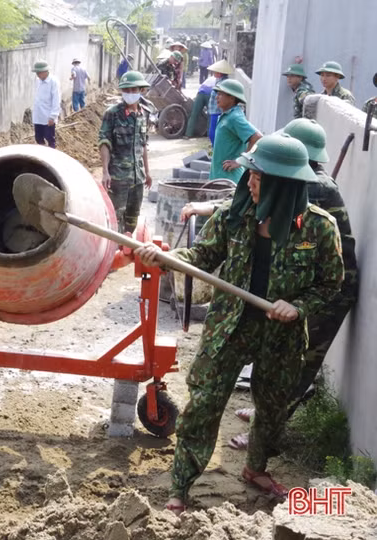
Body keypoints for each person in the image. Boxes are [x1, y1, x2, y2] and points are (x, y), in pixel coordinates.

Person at [136, 133, 344, 515]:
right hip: (229, 327)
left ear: (283, 184)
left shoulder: (319, 229)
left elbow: (331, 284)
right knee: (204, 404)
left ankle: (256, 469)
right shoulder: (235, 213)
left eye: (258, 177)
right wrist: (165, 257)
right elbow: (203, 254)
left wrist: (297, 307)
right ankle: (181, 487)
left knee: (273, 406)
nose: (249, 182)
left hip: (280, 335)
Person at [182, 119, 358, 451]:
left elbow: (328, 277)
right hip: (308, 284)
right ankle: (264, 416)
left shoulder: (313, 189)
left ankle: (268, 432)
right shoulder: (300, 182)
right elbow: (247, 210)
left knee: (297, 366)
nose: (255, 179)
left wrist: (208, 207)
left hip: (327, 289)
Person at [98, 70, 151, 233]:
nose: (130, 93)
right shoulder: (112, 114)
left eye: (133, 90)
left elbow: (143, 145)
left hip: (138, 179)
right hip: (118, 178)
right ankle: (116, 254)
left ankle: (127, 253)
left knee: (132, 220)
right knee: (115, 220)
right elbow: (104, 142)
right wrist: (105, 172)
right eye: (126, 90)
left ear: (141, 90)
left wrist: (147, 172)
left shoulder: (144, 114)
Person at [209, 79, 262, 183]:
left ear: (232, 97)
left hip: (229, 178)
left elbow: (257, 137)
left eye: (221, 94)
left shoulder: (234, 117)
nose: (217, 97)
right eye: (217, 94)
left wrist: (240, 161)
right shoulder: (228, 115)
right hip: (220, 175)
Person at [32, 60, 61, 149]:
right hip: (38, 116)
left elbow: (56, 99)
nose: (38, 75)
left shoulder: (53, 82)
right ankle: (43, 154)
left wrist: (53, 116)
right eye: (37, 73)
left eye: (39, 72)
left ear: (45, 71)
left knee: (50, 138)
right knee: (38, 138)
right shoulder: (38, 81)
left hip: (48, 116)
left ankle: (52, 155)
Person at [205, 59, 233, 144]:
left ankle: (216, 151)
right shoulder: (220, 81)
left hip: (218, 112)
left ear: (220, 73)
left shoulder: (224, 84)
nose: (214, 73)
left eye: (215, 71)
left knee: (213, 134)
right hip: (214, 111)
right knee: (213, 133)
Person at [185, 72, 216, 138]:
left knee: (194, 114)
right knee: (210, 114)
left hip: (200, 93)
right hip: (209, 94)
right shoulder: (219, 81)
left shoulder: (210, 79)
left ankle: (188, 134)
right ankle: (209, 135)